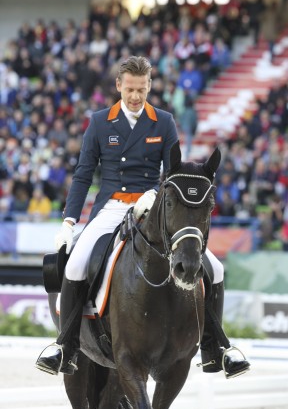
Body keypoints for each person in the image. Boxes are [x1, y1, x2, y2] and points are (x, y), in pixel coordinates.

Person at [35, 56, 250, 379]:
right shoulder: (99, 121)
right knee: (78, 263)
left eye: (142, 89)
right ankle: (65, 346)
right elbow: (83, 175)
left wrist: (158, 195)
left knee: (215, 268)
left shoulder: (163, 121)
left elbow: (172, 172)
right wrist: (69, 221)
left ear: (149, 86)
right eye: (130, 89)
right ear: (119, 86)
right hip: (111, 206)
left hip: (152, 205)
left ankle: (213, 348)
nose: (136, 96)